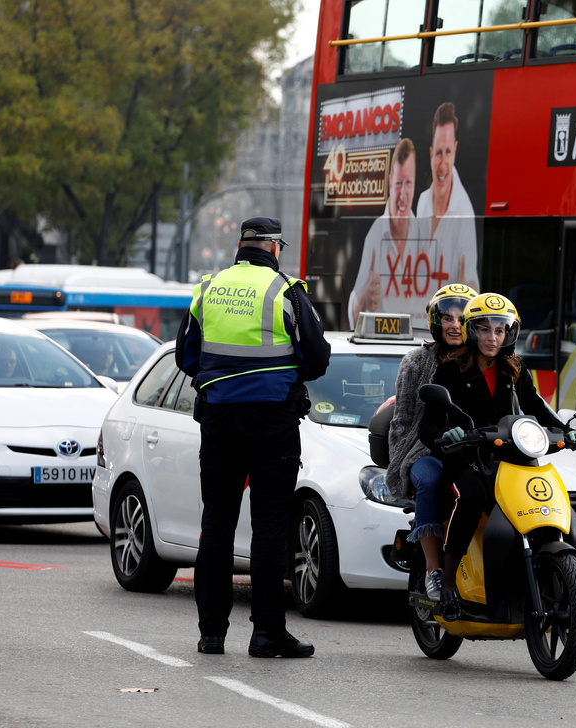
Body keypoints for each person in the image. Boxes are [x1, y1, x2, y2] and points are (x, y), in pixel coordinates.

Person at [176, 216, 331, 658]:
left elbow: (186, 356)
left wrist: (224, 378)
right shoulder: (286, 291)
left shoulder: (208, 289)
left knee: (216, 523)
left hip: (219, 420)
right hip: (272, 422)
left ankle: (211, 633)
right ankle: (267, 633)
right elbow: (317, 358)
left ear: (241, 245)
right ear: (274, 247)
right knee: (269, 526)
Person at [418, 293, 576, 618]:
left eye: (499, 330)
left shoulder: (515, 370)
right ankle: (448, 583)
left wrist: (566, 431)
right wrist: (444, 437)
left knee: (535, 499)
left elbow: (537, 408)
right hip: (465, 457)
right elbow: (428, 424)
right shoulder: (451, 370)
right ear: (472, 330)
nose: (492, 338)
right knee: (472, 496)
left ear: (509, 333)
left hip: (508, 457)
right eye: (484, 329)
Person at [386, 283, 476, 601]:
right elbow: (401, 420)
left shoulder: (483, 358)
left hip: (472, 450)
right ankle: (434, 570)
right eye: (447, 318)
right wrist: (400, 463)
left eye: (461, 318)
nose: (454, 325)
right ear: (436, 322)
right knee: (430, 479)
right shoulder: (415, 361)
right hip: (422, 451)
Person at [347, 138, 430, 326]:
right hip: (381, 341)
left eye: (408, 183)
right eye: (399, 183)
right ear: (390, 182)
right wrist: (364, 299)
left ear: (414, 184)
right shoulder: (375, 235)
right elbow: (354, 316)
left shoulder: (424, 235)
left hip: (416, 340)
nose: (403, 194)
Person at [416, 102, 479, 294]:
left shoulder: (464, 211)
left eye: (448, 152)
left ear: (455, 151)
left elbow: (470, 277)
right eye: (438, 153)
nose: (442, 164)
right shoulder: (422, 202)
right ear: (430, 154)